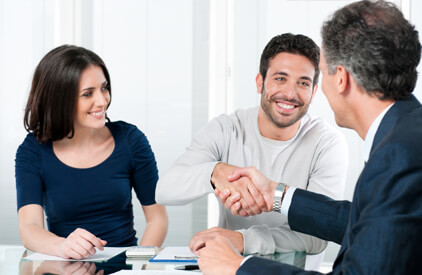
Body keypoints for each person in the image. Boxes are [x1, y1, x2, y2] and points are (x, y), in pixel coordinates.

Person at [198, 1, 422, 274]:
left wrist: (238, 266)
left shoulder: (399, 154)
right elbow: (369, 222)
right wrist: (275, 194)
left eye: (320, 70)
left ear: (340, 78)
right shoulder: (406, 133)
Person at [156, 33, 348, 260]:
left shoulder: (327, 143)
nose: (289, 93)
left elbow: (318, 236)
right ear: (260, 82)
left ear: (314, 92)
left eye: (303, 83)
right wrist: (215, 172)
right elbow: (164, 190)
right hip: (230, 268)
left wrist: (246, 239)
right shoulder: (226, 129)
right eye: (280, 78)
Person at [15, 45, 168, 260]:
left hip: (124, 267)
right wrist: (64, 246)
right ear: (59, 100)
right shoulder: (33, 151)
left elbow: (157, 219)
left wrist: (138, 265)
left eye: (104, 88)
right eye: (88, 94)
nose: (102, 101)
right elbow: (29, 228)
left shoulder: (131, 140)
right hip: (64, 267)